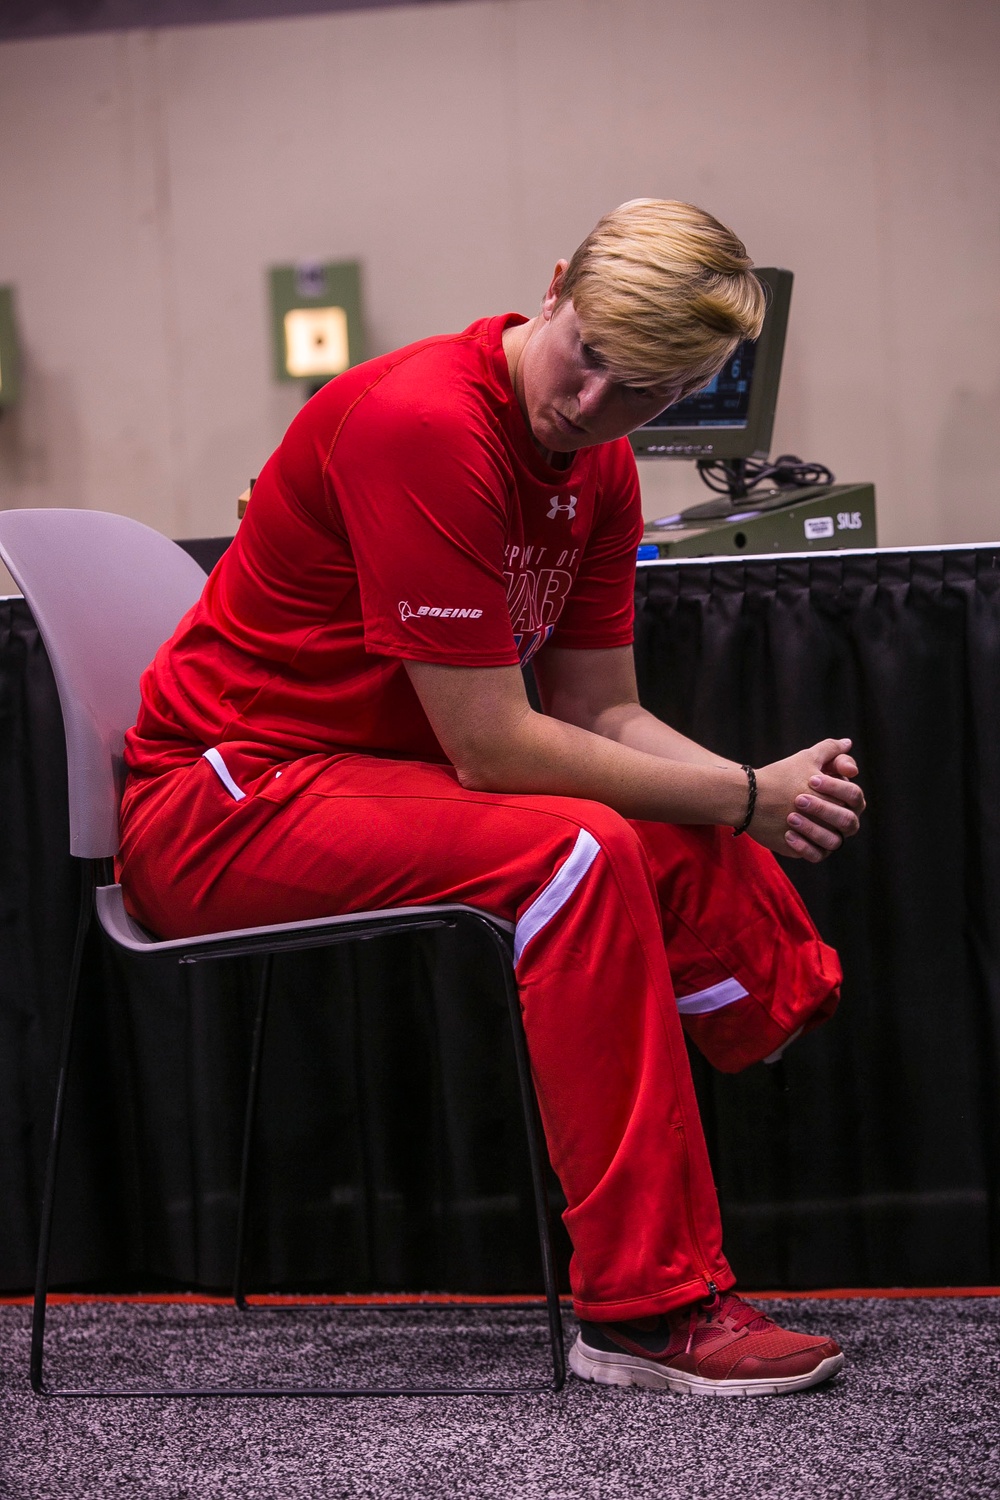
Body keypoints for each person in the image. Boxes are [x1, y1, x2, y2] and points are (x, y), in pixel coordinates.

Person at [119, 199, 865, 1397]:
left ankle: (768, 1008)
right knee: (578, 849)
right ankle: (646, 1310)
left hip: (357, 784)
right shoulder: (425, 421)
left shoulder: (600, 469)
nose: (593, 403)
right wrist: (740, 794)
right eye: (589, 355)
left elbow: (600, 714)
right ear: (555, 285)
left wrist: (749, 796)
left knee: (665, 823)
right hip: (217, 805)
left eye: (645, 392)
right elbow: (494, 747)